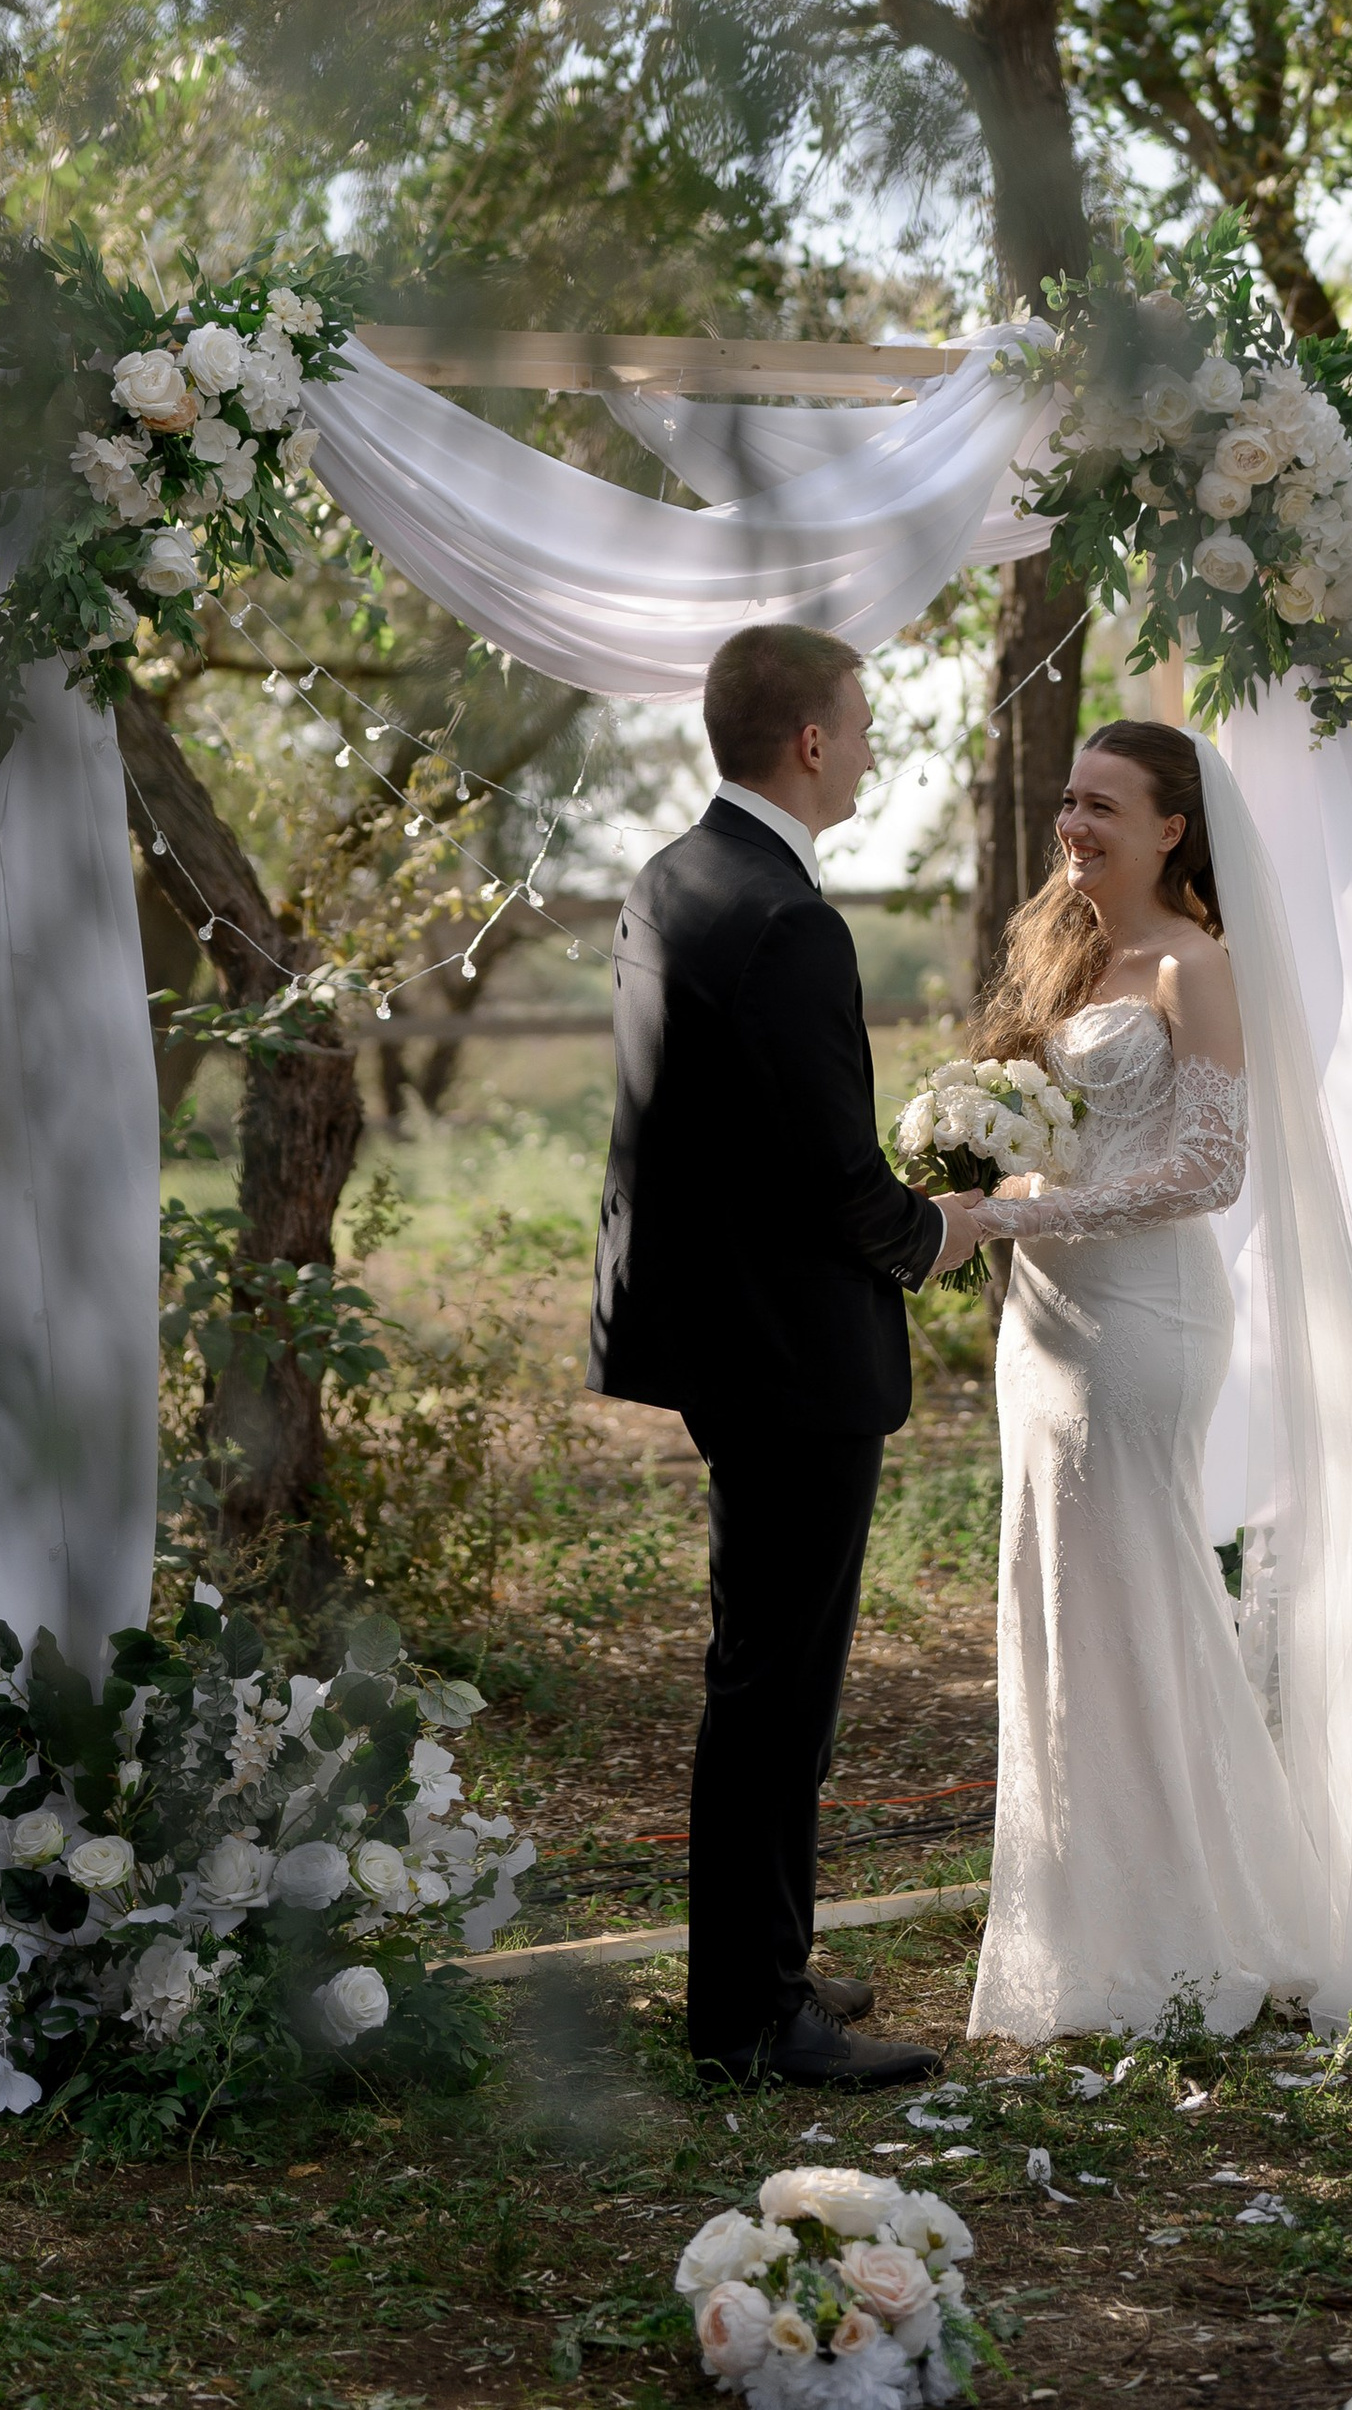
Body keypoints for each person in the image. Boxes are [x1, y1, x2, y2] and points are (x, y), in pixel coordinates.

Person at [966, 718, 1352, 2051]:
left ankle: (1212, 1926)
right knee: (1058, 1611)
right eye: (1068, 802)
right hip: (1044, 1329)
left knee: (1144, 1607)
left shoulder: (1198, 967)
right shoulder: (1068, 958)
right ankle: (1090, 1922)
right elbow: (1050, 1148)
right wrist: (984, 1181)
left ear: (1173, 828)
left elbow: (1206, 1174)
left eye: (1101, 807)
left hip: (1145, 1323)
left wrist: (1009, 1223)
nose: (1072, 825)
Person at [587, 622, 994, 2088]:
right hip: (793, 1352)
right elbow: (835, 1178)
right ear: (812, 742)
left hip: (715, 1335)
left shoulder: (675, 877)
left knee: (760, 1668)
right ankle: (753, 2024)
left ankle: (761, 1964)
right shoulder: (790, 918)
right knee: (779, 1690)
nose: (876, 744)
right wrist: (947, 1228)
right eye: (864, 722)